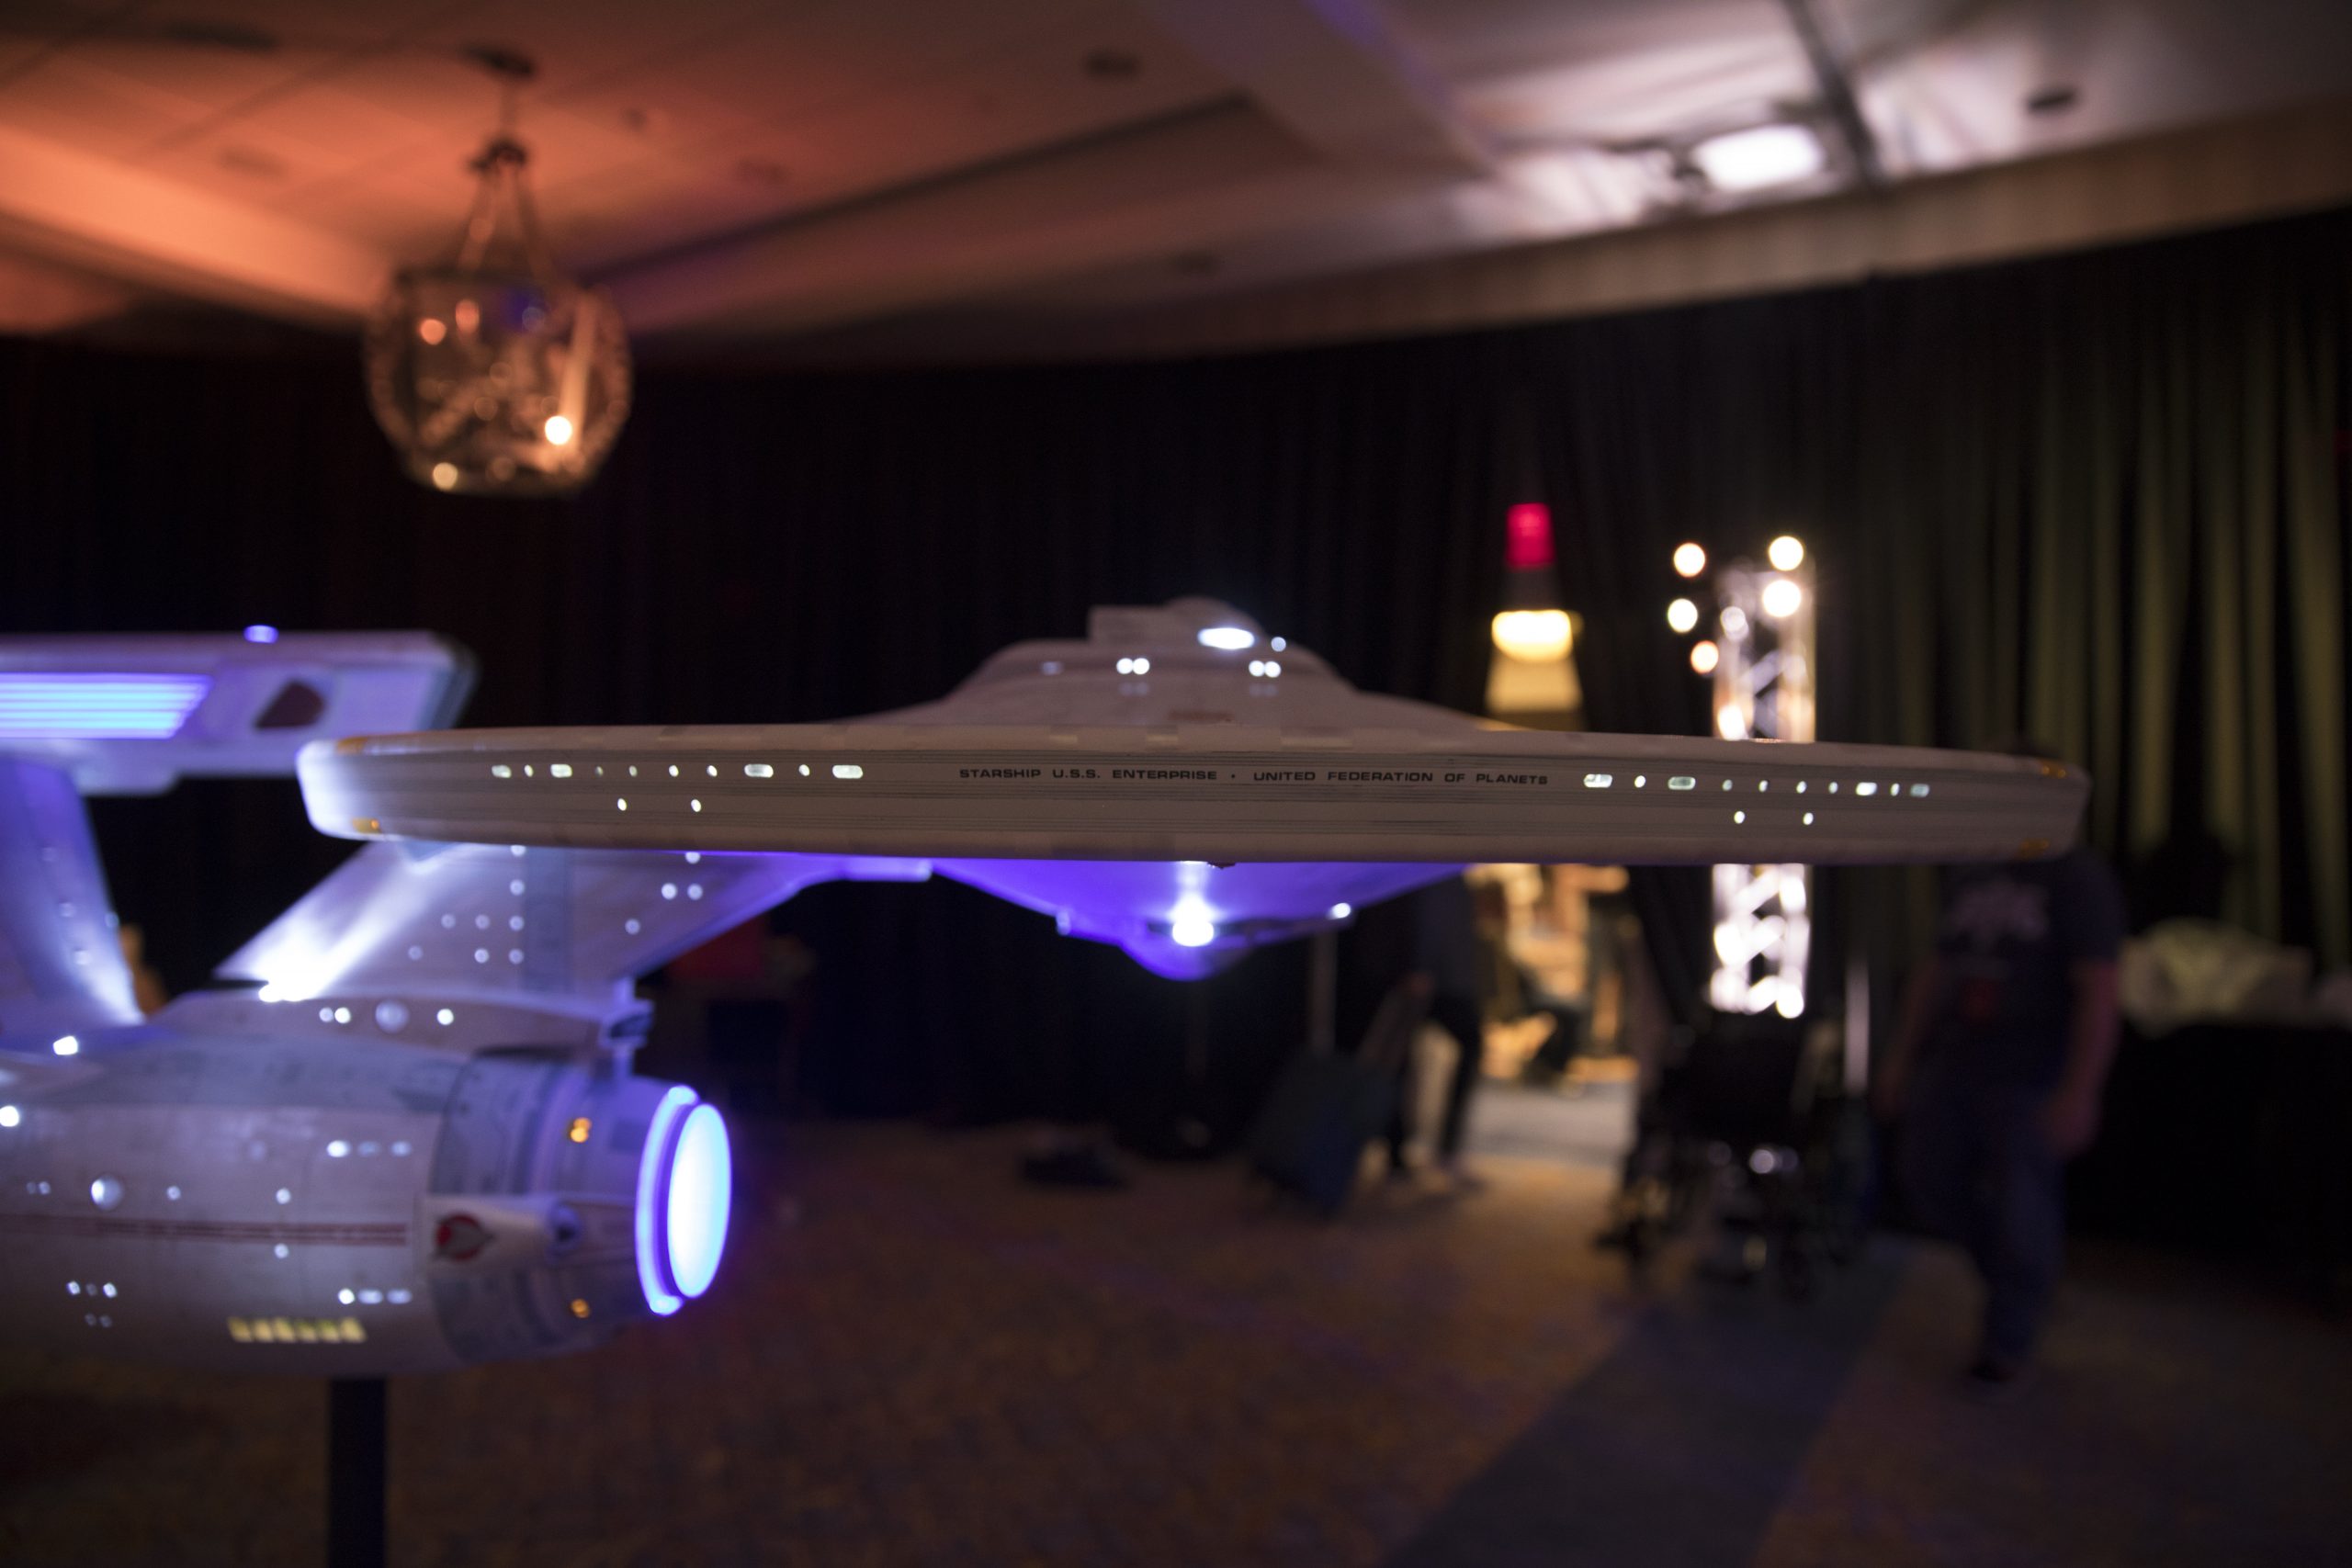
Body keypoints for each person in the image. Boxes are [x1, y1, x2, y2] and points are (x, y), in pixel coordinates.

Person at [1875, 746, 2125, 1397]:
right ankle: (2028, 1287)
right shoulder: (1972, 868)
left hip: (2030, 1065)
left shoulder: (2075, 875)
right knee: (1925, 1178)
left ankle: (2009, 1338)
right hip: (1958, 1057)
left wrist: (2081, 1090)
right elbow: (1935, 972)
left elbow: (2099, 988)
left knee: (2022, 1206)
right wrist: (1900, 1058)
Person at [1385, 875, 1491, 1186]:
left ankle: (1401, 1150)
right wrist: (1421, 965)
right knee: (1402, 1060)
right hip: (1440, 979)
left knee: (1401, 1060)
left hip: (1434, 976)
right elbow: (1433, 913)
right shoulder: (1443, 873)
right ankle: (1431, 1149)